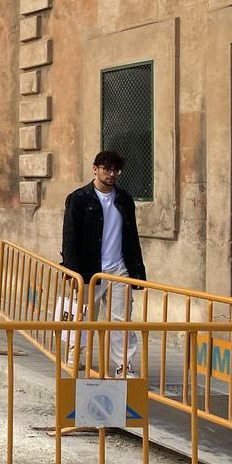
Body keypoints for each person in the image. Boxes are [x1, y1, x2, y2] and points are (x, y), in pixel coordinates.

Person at [61, 150, 146, 378]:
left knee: (122, 319)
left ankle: (123, 366)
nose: (111, 174)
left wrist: (137, 270)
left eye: (115, 170)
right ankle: (75, 354)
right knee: (85, 315)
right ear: (95, 169)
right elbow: (70, 238)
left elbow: (132, 236)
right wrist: (72, 272)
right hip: (90, 269)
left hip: (120, 269)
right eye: (106, 169)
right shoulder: (79, 198)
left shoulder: (124, 199)